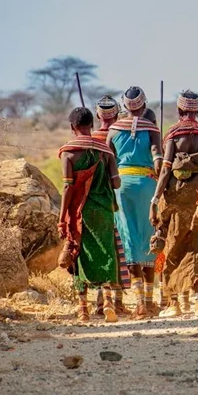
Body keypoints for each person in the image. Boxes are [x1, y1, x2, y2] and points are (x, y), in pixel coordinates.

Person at [149, 90, 198, 318]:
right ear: (197, 110)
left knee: (172, 247)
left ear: (179, 110)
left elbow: (166, 168)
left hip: (176, 198)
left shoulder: (174, 133)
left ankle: (173, 302)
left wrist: (155, 198)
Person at [58, 107, 121, 322]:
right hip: (103, 209)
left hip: (79, 211)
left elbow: (67, 188)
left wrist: (62, 217)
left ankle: (83, 309)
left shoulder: (68, 152)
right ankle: (109, 303)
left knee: (79, 252)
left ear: (72, 127)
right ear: (91, 125)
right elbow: (116, 182)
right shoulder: (105, 150)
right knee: (106, 251)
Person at [106, 86, 162, 319]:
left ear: (125, 105)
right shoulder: (152, 128)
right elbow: (158, 160)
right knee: (148, 238)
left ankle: (139, 304)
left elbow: (108, 161)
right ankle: (149, 303)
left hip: (122, 186)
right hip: (148, 184)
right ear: (143, 103)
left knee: (128, 238)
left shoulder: (113, 129)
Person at [89, 95, 131, 317]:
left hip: (96, 199)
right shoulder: (122, 135)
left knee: (101, 245)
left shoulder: (91, 139)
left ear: (98, 115)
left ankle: (100, 301)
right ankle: (117, 300)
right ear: (116, 114)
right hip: (119, 194)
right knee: (119, 245)